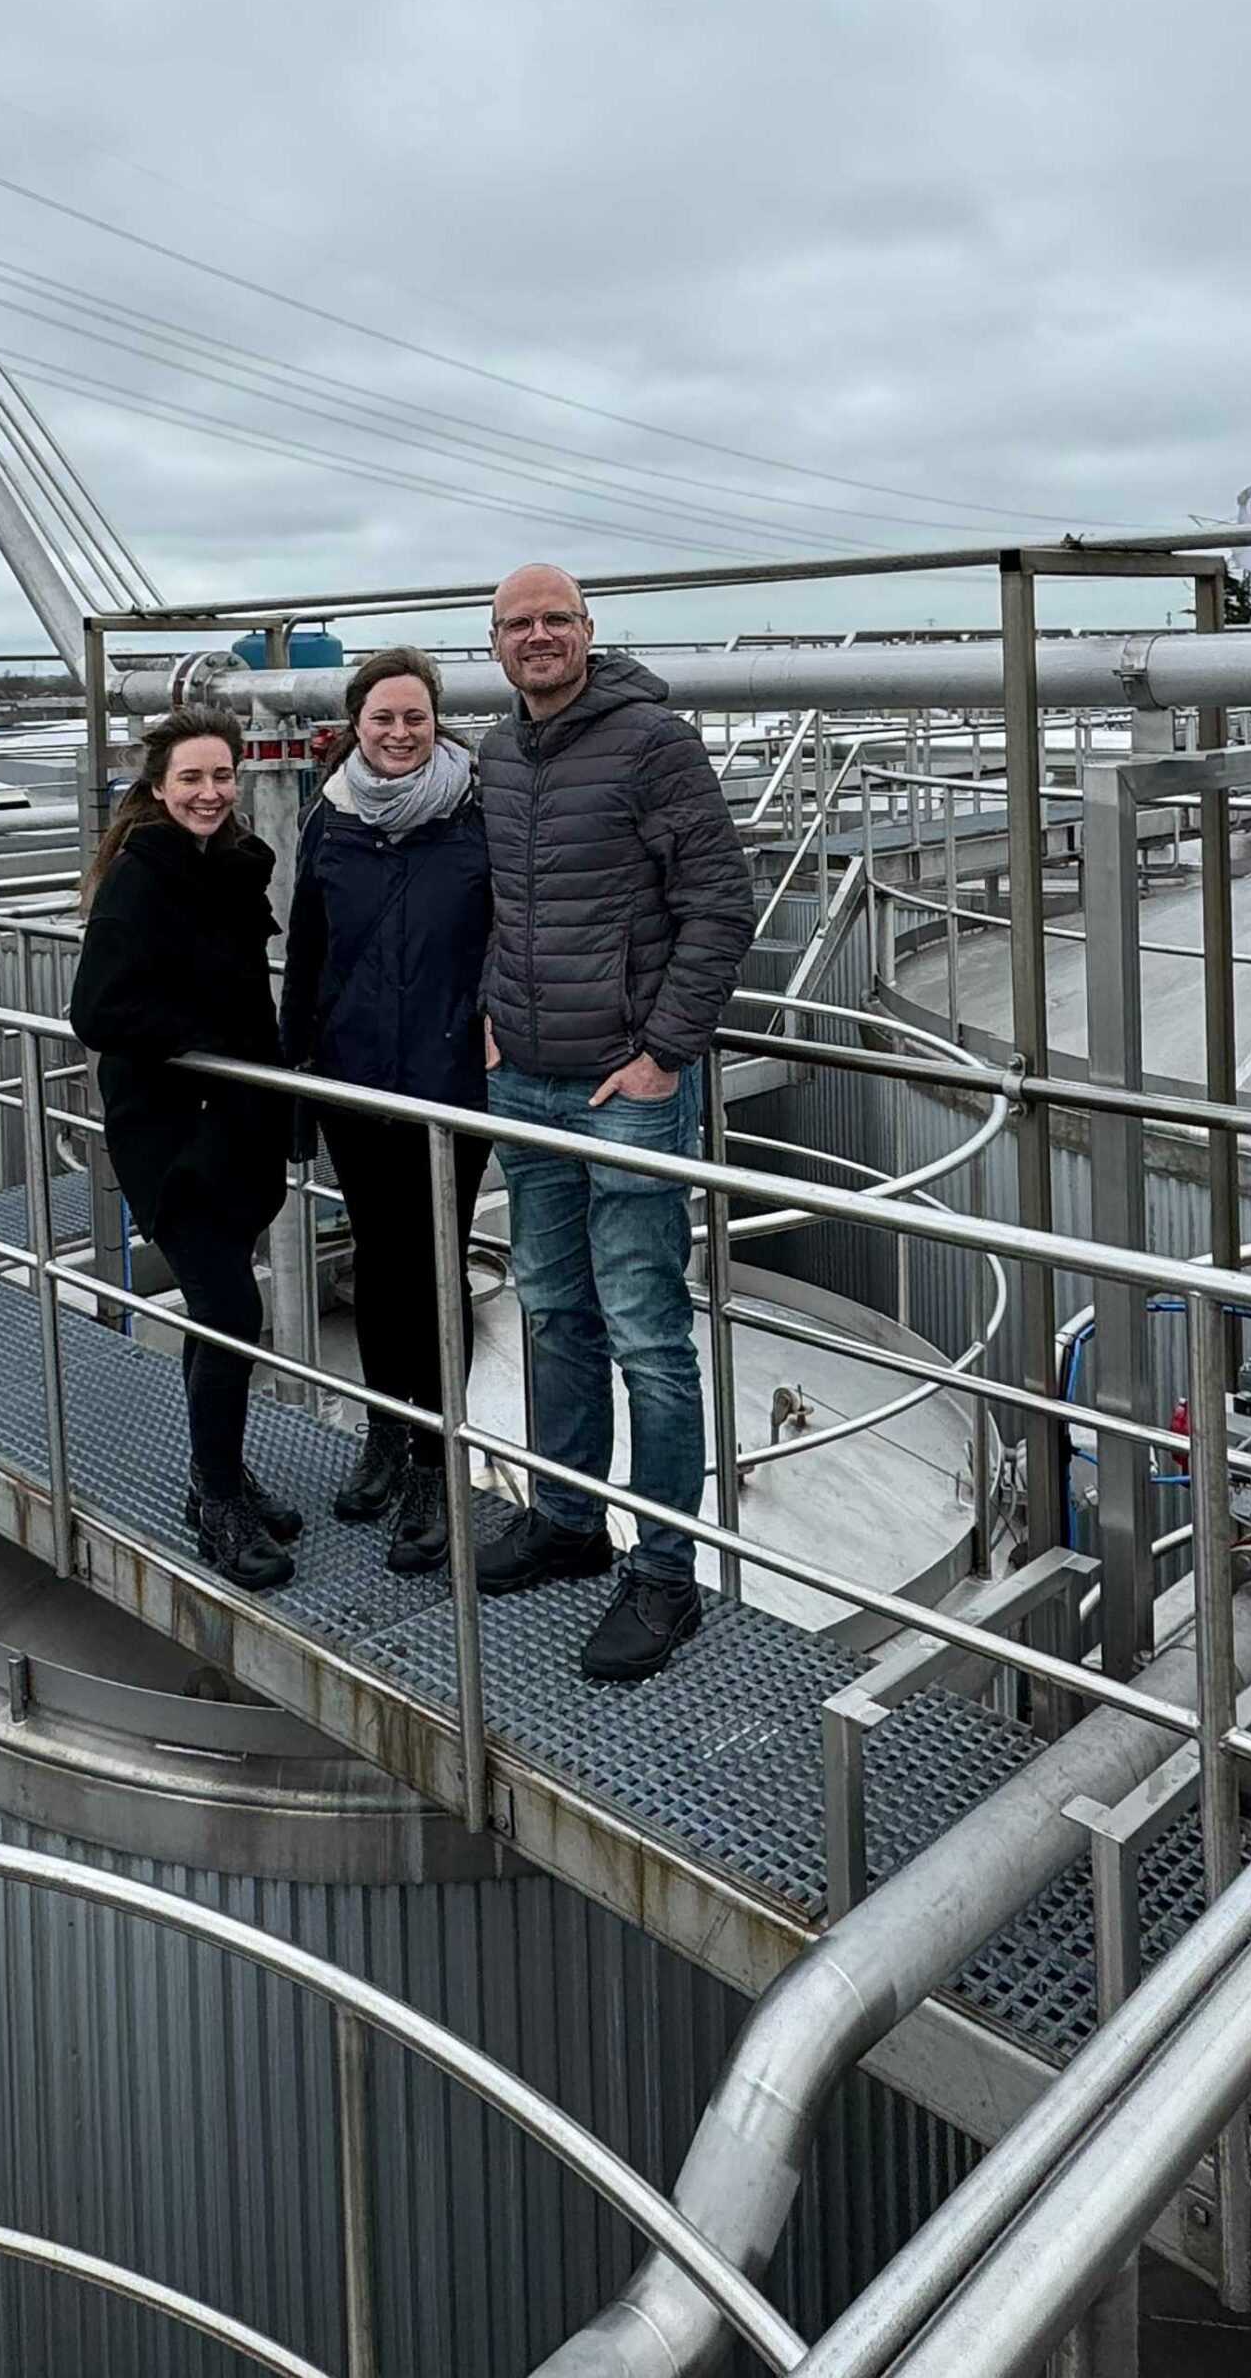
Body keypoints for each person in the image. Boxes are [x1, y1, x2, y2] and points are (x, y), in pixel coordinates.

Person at [476, 563, 755, 1681]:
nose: (537, 636)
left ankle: (664, 1574)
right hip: (524, 1079)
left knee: (645, 1330)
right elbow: (498, 900)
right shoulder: (499, 752)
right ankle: (567, 1518)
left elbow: (719, 903)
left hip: (623, 1089)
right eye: (517, 624)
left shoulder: (652, 743)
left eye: (555, 620)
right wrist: (488, 1019)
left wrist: (661, 1056)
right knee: (549, 1311)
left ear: (588, 632)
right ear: (494, 643)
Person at [70, 707, 300, 1592]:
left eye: (222, 778)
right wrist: (204, 1042)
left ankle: (225, 1472)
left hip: (235, 1123)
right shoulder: (142, 877)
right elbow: (99, 1010)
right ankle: (213, 1499)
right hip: (170, 1133)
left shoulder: (234, 869)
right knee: (233, 1309)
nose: (209, 794)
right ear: (158, 788)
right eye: (192, 780)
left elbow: (251, 1001)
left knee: (221, 1311)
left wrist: (278, 1101)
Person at [281, 648, 493, 1571]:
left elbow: (513, 934)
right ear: (355, 725)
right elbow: (309, 948)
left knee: (437, 1267)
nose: (399, 733)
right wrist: (297, 1075)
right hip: (355, 1080)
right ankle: (382, 1434)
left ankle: (433, 1464)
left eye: (414, 717)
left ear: (435, 721)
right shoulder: (329, 821)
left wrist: (500, 1025)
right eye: (382, 719)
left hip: (451, 1083)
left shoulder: (478, 815)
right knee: (379, 1263)